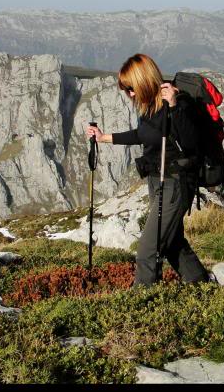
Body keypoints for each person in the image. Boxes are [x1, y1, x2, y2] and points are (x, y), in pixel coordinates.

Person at [85, 53, 210, 286]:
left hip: (175, 183)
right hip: (156, 179)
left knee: (147, 249)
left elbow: (191, 142)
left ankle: (141, 301)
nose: (129, 94)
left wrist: (173, 106)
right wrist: (103, 138)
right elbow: (142, 135)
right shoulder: (150, 107)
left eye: (130, 88)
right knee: (172, 241)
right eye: (125, 89)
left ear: (142, 80)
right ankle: (202, 286)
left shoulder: (178, 102)